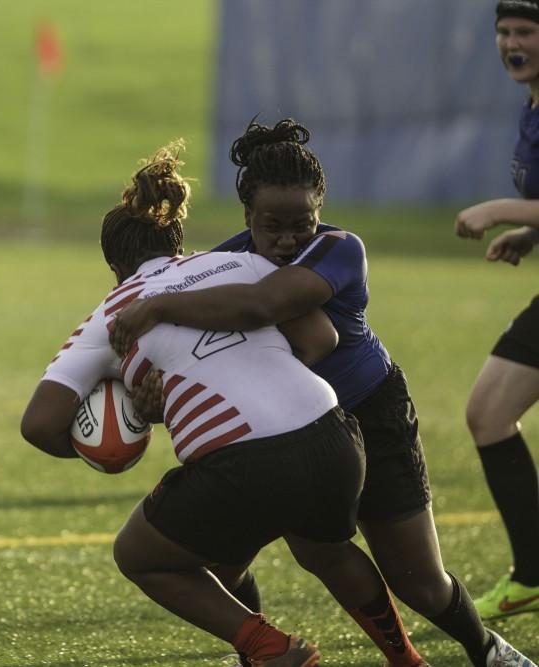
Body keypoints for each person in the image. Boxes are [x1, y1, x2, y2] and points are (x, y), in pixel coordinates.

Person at [108, 122, 535, 667]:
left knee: (421, 582)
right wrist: (156, 400)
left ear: (320, 212)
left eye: (300, 225)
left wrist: (158, 307)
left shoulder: (338, 248)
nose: (288, 240)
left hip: (371, 412)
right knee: (284, 553)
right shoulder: (223, 263)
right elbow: (206, 362)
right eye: (272, 227)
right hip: (295, 433)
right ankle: (272, 654)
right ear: (246, 218)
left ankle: (489, 652)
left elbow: (266, 306)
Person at [21, 141, 429, 667]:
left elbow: (40, 424)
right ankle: (407, 659)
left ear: (114, 266)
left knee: (141, 556)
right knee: (323, 550)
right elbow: (319, 339)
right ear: (178, 242)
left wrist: (112, 436)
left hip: (244, 462)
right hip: (334, 434)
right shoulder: (241, 264)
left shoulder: (111, 314)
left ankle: (268, 648)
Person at [449, 0, 539, 623]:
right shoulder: (532, 102)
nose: (511, 42)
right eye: (504, 31)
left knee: (488, 411)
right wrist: (529, 236)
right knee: (488, 413)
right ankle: (533, 576)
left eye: (526, 31)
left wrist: (500, 210)